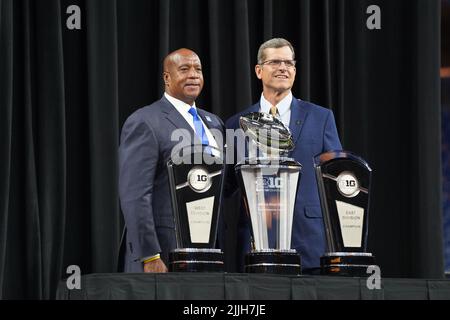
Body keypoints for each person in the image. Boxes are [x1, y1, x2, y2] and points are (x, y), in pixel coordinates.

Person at [225, 38, 342, 273]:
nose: (283, 68)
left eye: (289, 63)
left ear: (295, 70)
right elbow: (226, 185)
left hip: (308, 242)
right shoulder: (235, 124)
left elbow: (335, 179)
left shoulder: (321, 118)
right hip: (254, 244)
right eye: (275, 62)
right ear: (259, 71)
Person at [119, 48, 224, 273]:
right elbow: (135, 194)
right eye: (184, 69)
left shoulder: (214, 123)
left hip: (208, 255)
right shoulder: (145, 121)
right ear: (167, 77)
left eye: (198, 69)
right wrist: (149, 255)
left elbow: (221, 184)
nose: (194, 75)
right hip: (164, 255)